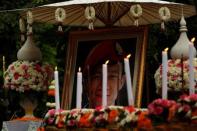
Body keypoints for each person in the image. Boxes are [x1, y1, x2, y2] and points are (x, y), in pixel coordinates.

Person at [83, 40, 127, 108]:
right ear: (86, 83)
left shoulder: (130, 118)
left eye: (112, 76)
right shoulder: (72, 118)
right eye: (97, 76)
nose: (104, 84)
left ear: (122, 82)